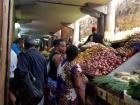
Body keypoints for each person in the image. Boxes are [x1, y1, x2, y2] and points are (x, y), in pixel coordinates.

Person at [14, 37, 47, 105]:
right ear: (34, 45)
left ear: (24, 45)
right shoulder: (42, 57)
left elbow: (20, 73)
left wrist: (15, 87)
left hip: (27, 92)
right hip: (40, 92)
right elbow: (45, 76)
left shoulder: (24, 56)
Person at [46, 39, 66, 105]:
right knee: (55, 99)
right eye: (62, 46)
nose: (65, 48)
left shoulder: (54, 54)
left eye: (65, 46)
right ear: (57, 47)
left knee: (52, 98)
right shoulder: (57, 56)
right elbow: (60, 71)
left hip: (51, 79)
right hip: (54, 80)